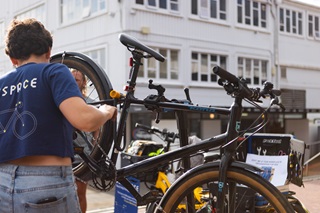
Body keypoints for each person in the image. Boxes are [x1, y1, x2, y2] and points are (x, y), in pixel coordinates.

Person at [0, 18, 117, 213]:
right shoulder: (54, 71)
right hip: (45, 184)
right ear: (48, 52)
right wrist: (106, 111)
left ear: (12, 59)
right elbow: (85, 120)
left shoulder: (1, 82)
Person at [71, 69, 97, 213]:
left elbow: (97, 130)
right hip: (66, 154)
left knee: (80, 193)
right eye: (71, 79)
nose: (74, 82)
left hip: (83, 156)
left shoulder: (91, 103)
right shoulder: (64, 100)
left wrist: (94, 151)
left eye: (77, 80)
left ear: (83, 83)